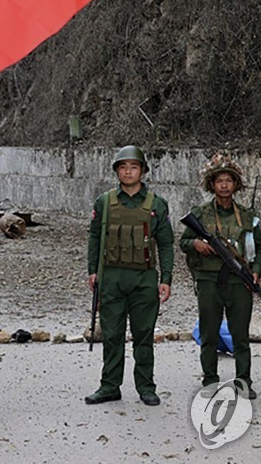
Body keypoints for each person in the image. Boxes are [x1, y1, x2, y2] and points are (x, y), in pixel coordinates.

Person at [85, 145, 174, 406]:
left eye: (133, 167)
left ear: (143, 171)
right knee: (112, 334)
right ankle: (109, 385)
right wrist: (93, 271)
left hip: (144, 279)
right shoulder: (104, 202)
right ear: (116, 171)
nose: (128, 171)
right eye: (123, 167)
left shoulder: (157, 204)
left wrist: (166, 278)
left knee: (143, 334)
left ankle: (146, 387)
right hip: (112, 276)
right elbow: (94, 237)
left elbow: (166, 243)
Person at [179, 152, 261, 397]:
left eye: (229, 180)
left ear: (236, 184)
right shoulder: (200, 214)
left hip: (239, 282)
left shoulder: (248, 216)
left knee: (240, 335)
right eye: (220, 181)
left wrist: (257, 272)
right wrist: (196, 244)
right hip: (208, 281)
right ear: (212, 185)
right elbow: (183, 242)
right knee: (209, 333)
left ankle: (244, 382)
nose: (225, 185)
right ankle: (210, 381)